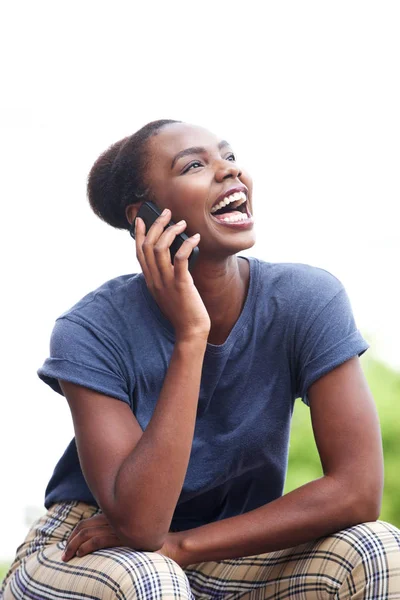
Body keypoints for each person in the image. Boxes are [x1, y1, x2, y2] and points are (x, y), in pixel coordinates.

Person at [2, 119, 400, 600]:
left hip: (230, 547)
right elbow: (143, 528)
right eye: (195, 165)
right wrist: (192, 335)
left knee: (381, 548)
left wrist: (186, 546)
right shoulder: (90, 329)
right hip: (90, 544)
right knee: (154, 579)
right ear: (145, 217)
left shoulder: (306, 299)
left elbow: (357, 491)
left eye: (229, 157)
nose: (228, 172)